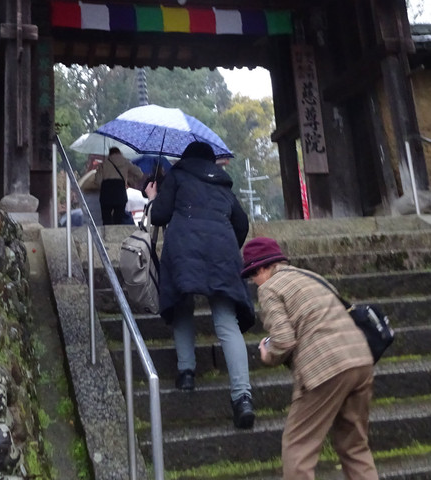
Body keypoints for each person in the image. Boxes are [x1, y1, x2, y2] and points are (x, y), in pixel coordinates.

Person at [242, 237, 378, 480]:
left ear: (263, 267)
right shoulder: (311, 276)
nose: (253, 281)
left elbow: (283, 340)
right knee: (354, 446)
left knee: (297, 446)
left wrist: (268, 354)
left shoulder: (270, 288)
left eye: (252, 274)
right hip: (360, 359)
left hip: (325, 367)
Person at [144, 141, 256, 429]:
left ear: (187, 158)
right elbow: (241, 224)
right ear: (210, 161)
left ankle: (187, 372)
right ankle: (242, 397)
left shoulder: (178, 176)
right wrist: (227, 245)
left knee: (182, 304)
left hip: (183, 249)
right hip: (223, 251)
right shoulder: (223, 185)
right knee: (225, 321)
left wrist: (154, 196)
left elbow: (159, 216)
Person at [96, 147, 145, 225]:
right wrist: (129, 180)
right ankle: (117, 234)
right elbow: (139, 174)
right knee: (119, 218)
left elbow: (98, 180)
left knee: (106, 218)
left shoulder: (104, 164)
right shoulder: (126, 162)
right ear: (119, 153)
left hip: (106, 192)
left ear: (110, 153)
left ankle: (106, 235)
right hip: (120, 191)